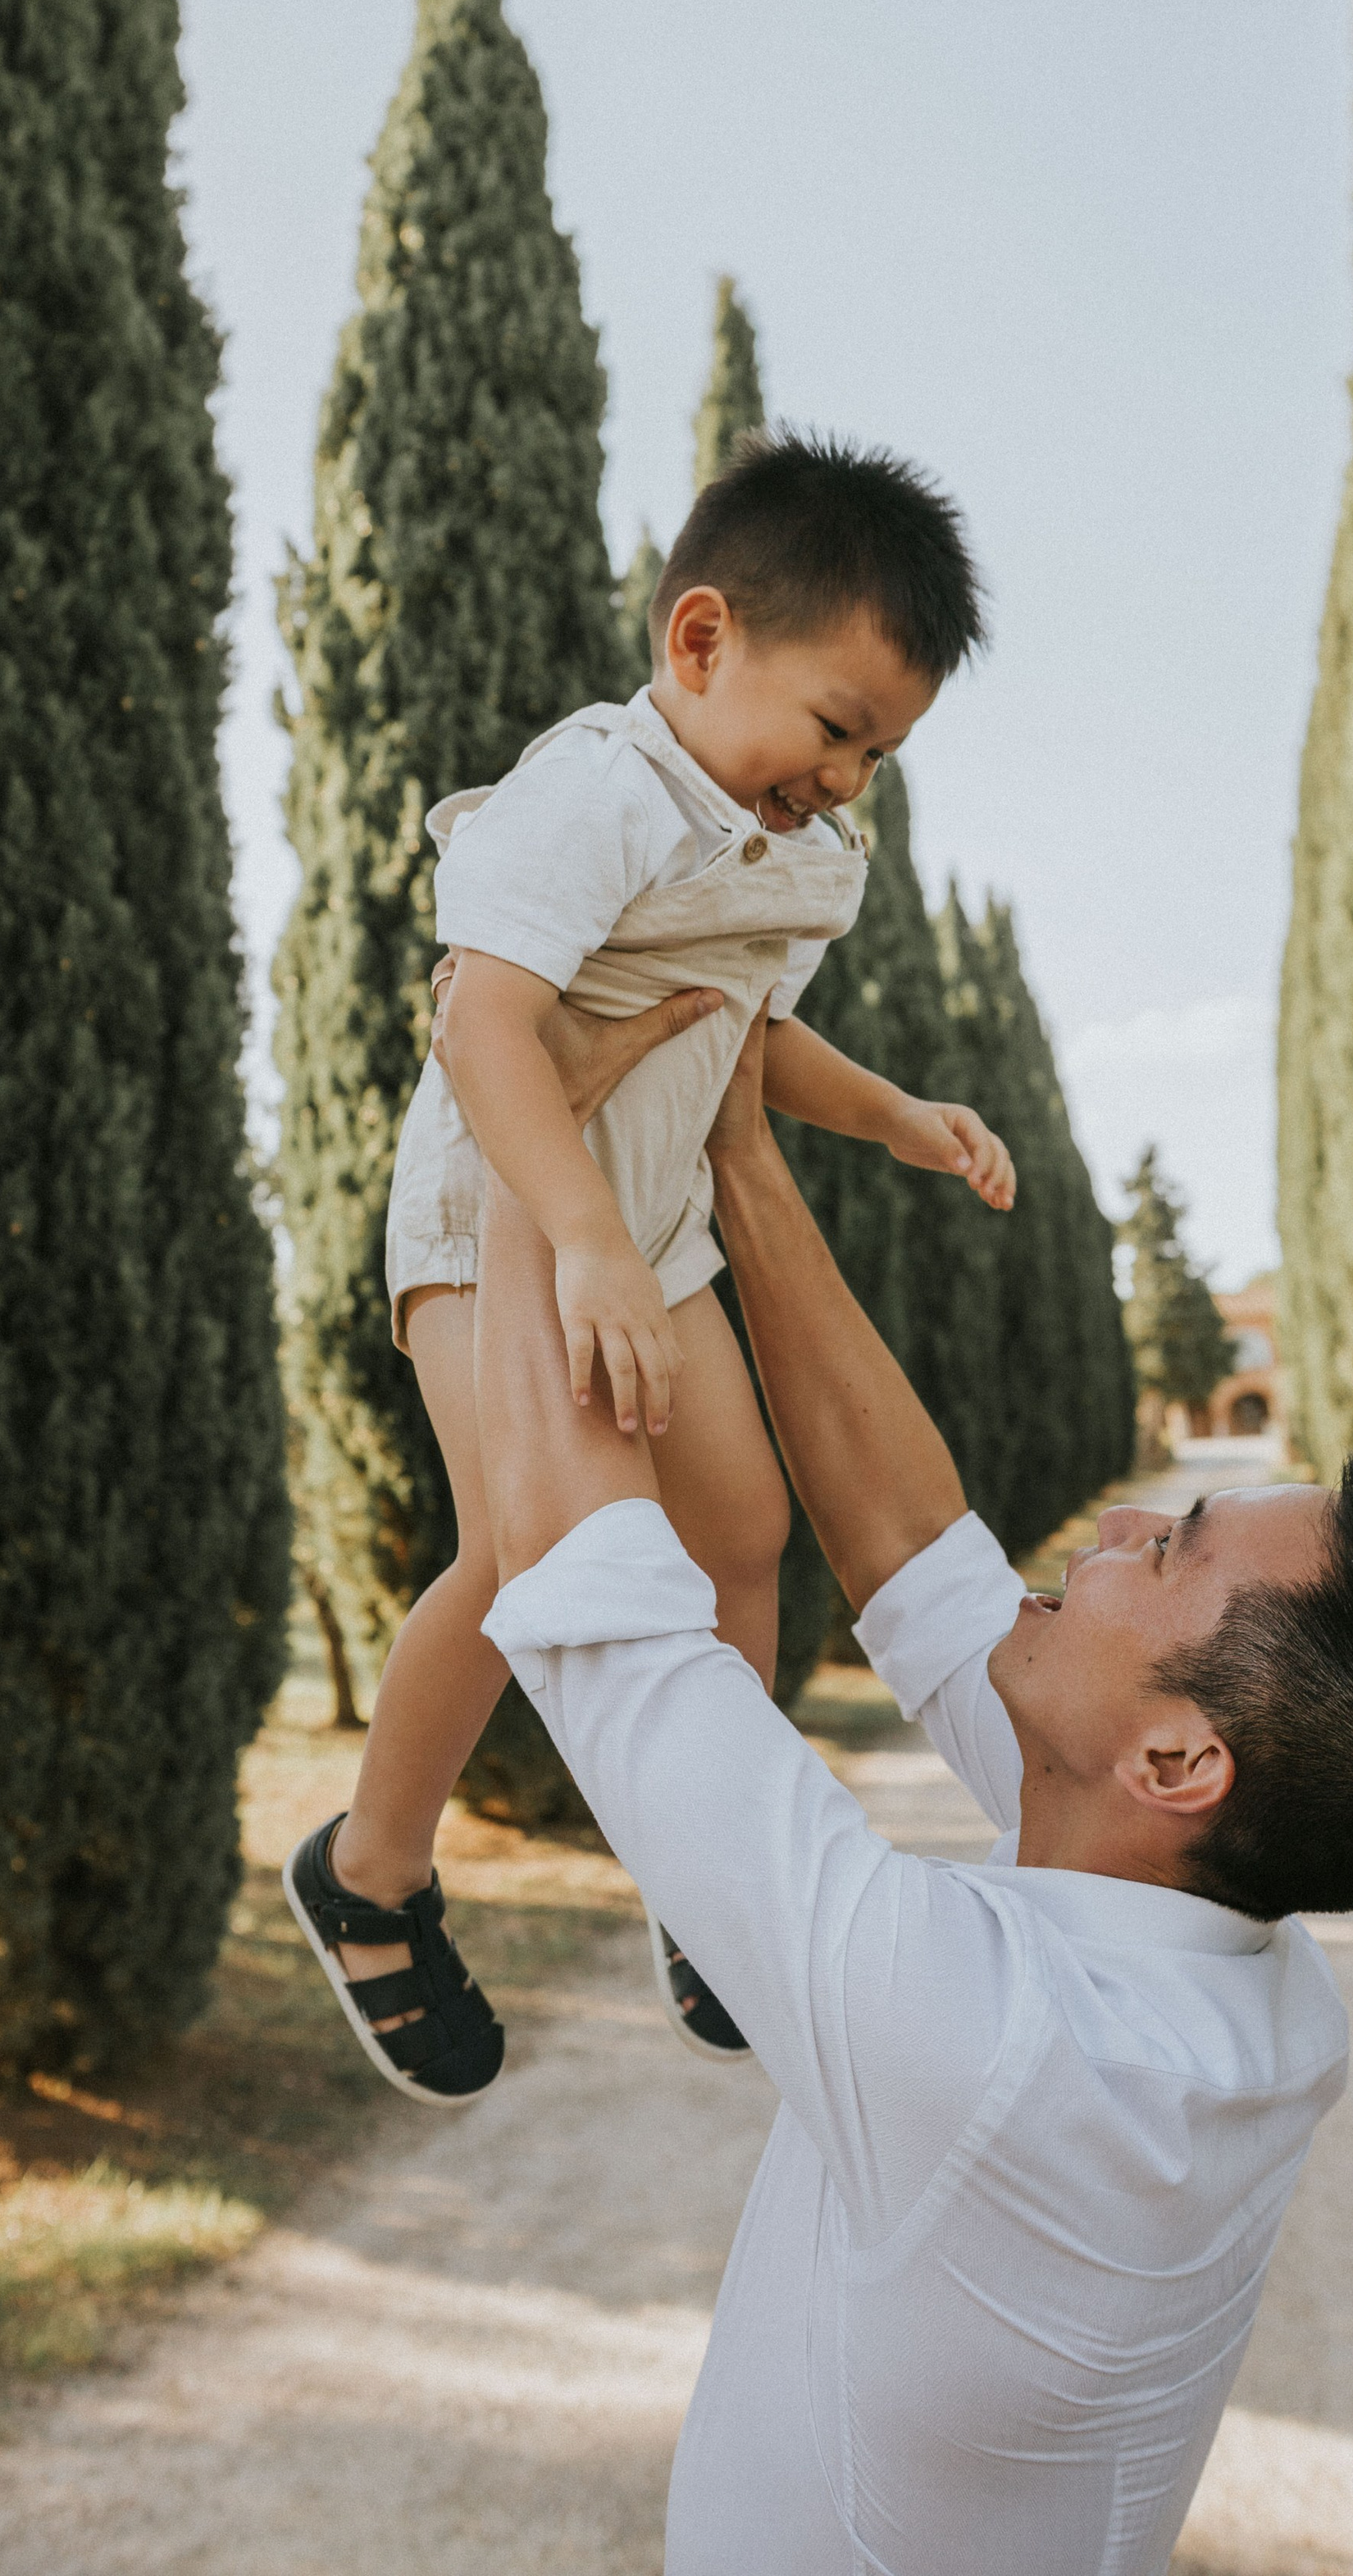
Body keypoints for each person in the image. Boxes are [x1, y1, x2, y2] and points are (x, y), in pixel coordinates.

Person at [462, 989, 1353, 2574]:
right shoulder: (1231, 1938)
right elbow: (919, 1561)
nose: (1115, 1528)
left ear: (1183, 1758)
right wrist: (733, 1149)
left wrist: (514, 1089)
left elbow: (597, 1596)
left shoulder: (992, 2050)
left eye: (1171, 1548)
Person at [287, 433, 1014, 2100]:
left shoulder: (798, 854)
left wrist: (893, 1114)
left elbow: (755, 1027)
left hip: (651, 1233)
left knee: (740, 1531)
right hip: (503, 1215)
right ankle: (371, 1869)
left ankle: (708, 1870)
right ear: (700, 645)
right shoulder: (598, 790)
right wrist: (588, 1245)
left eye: (878, 753)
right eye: (834, 728)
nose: (845, 777)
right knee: (524, 1554)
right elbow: (479, 1017)